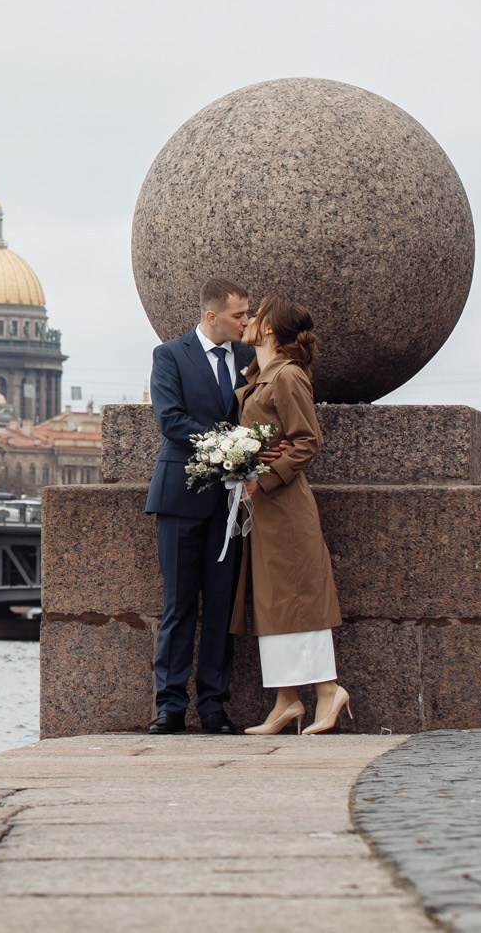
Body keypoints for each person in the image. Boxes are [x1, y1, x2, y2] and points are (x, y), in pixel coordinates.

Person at [233, 297, 349, 734]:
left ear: (269, 330)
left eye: (256, 315)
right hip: (266, 509)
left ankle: (327, 690)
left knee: (299, 598)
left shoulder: (288, 377)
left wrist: (264, 476)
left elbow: (307, 440)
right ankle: (286, 701)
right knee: (273, 601)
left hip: (285, 506)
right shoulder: (263, 376)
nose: (249, 321)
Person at [145, 277, 254, 734]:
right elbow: (170, 419)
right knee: (179, 604)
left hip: (229, 501)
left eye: (248, 314)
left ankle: (213, 705)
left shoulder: (250, 359)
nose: (246, 323)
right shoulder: (170, 355)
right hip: (181, 496)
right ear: (212, 316)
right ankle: (169, 706)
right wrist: (228, 448)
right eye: (238, 315)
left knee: (222, 605)